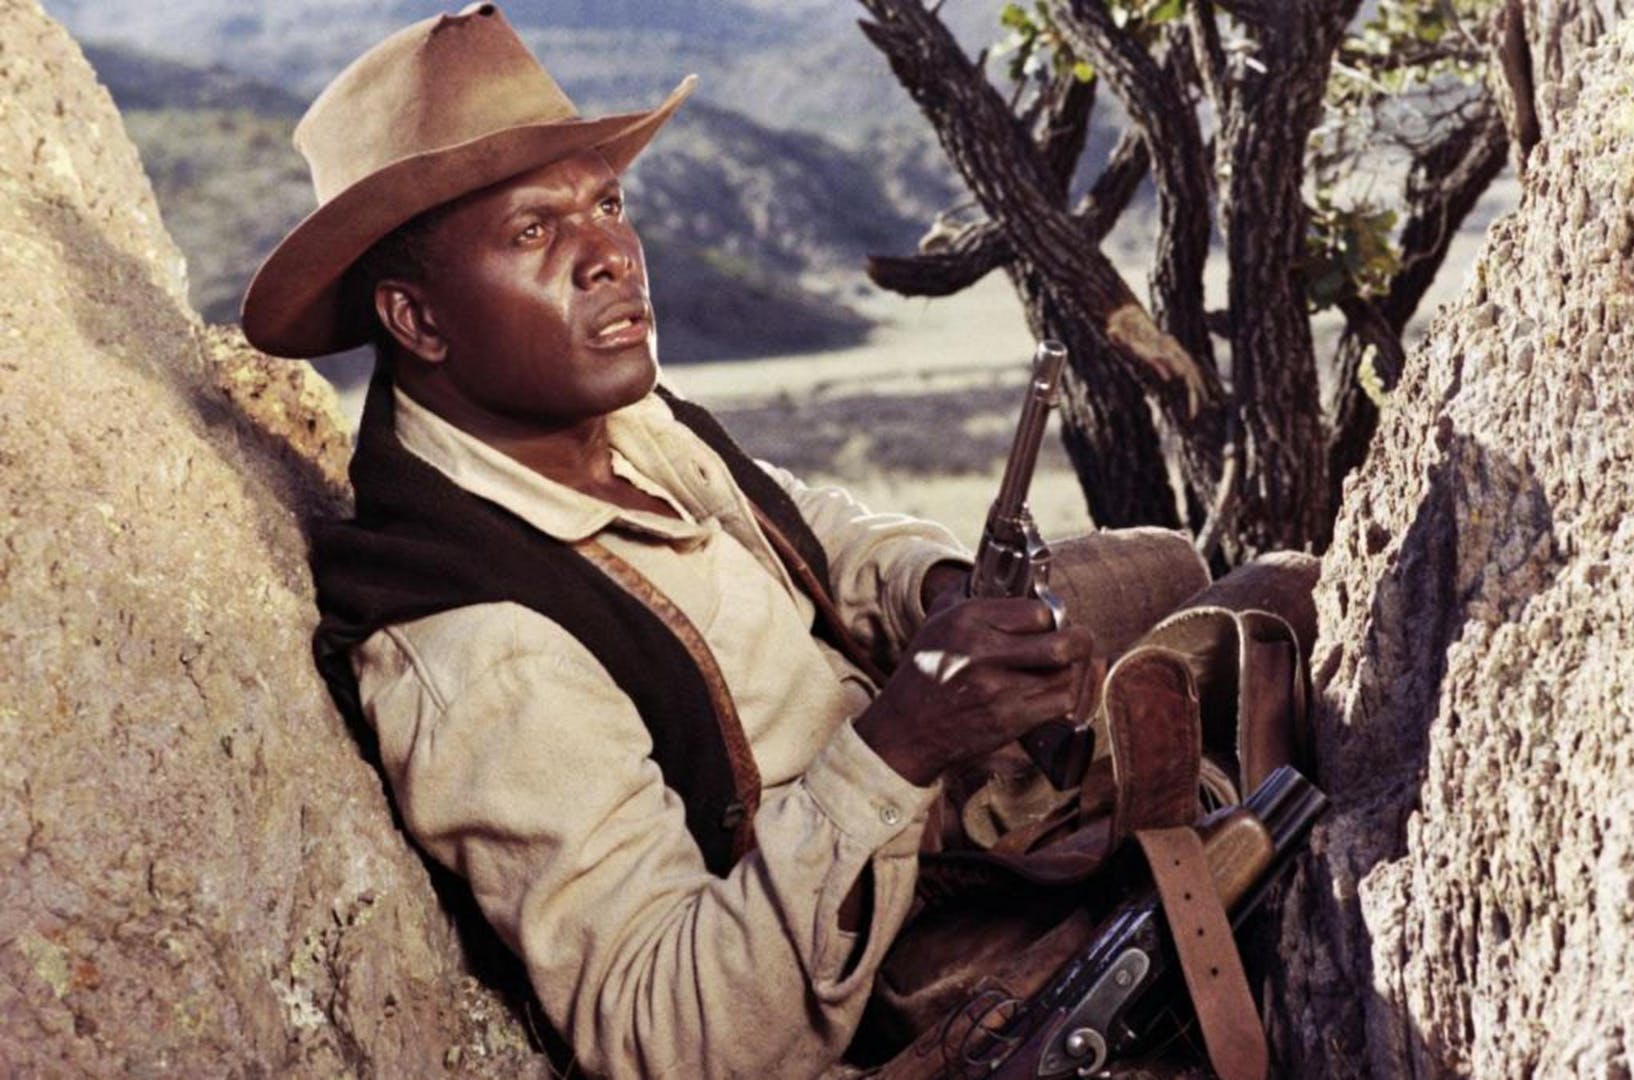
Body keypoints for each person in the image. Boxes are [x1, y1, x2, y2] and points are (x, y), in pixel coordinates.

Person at [241, 6, 1101, 1078]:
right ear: (417, 323)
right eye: (532, 232)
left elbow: (805, 529)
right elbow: (668, 1035)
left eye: (605, 202)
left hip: (951, 799)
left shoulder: (610, 415)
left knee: (1182, 571)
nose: (608, 254)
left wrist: (937, 586)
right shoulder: (483, 645)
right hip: (893, 958)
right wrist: (904, 742)